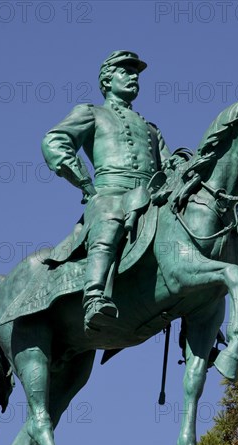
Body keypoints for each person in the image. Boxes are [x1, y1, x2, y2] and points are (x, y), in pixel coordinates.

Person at [41, 51, 172, 331]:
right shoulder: (90, 113)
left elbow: (169, 168)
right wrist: (85, 185)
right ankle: (94, 298)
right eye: (125, 71)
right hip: (110, 192)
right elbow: (55, 141)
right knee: (110, 217)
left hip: (149, 196)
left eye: (135, 73)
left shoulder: (151, 129)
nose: (133, 77)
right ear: (107, 79)